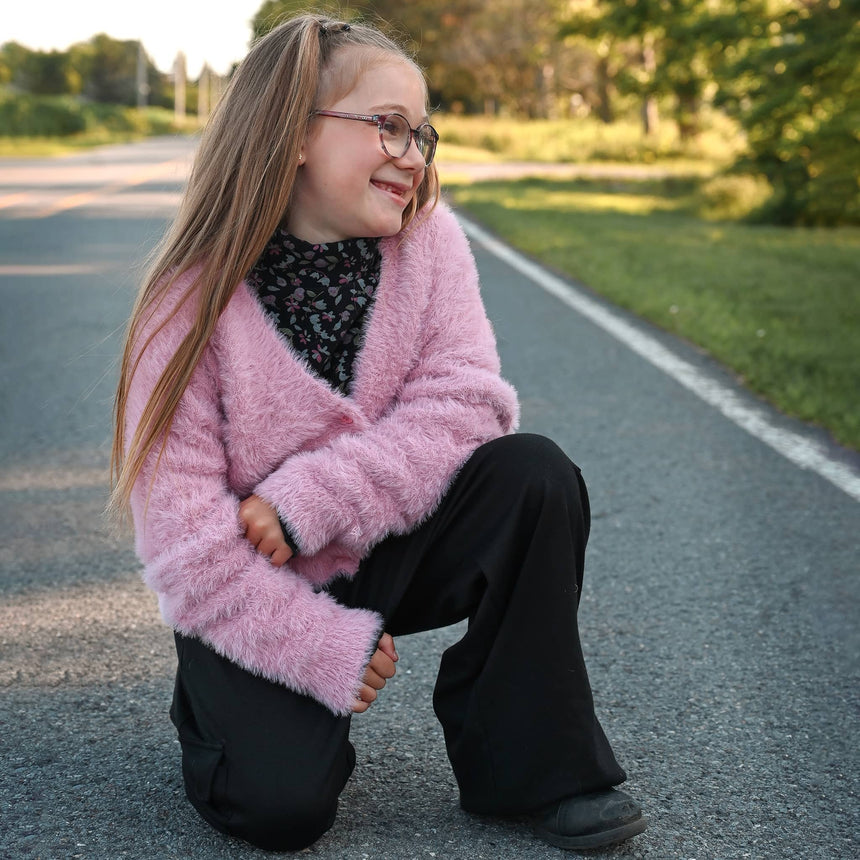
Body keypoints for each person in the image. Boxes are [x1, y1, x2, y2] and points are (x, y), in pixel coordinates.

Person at [109, 13, 647, 854]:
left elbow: (469, 403)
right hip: (255, 591)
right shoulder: (186, 305)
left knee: (531, 473)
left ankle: (531, 768)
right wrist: (323, 646)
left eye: (423, 133)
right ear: (291, 133)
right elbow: (186, 549)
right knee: (280, 810)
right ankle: (219, 713)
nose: (414, 152)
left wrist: (311, 499)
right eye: (388, 126)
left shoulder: (430, 245)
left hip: (383, 538)